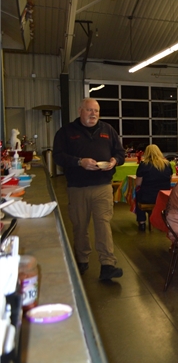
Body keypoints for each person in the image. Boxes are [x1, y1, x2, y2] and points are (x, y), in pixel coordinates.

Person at [53, 98, 126, 281]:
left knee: (103, 224)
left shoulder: (108, 130)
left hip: (103, 186)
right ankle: (81, 260)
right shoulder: (66, 132)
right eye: (89, 110)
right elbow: (58, 156)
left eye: (96, 111)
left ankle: (107, 264)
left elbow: (120, 153)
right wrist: (80, 162)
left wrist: (114, 161)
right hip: (77, 187)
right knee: (80, 226)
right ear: (80, 110)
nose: (93, 114)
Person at [134, 144, 173, 231]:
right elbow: (169, 180)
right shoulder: (167, 164)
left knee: (138, 193)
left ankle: (142, 222)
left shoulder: (143, 165)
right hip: (163, 197)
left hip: (148, 197)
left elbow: (138, 183)